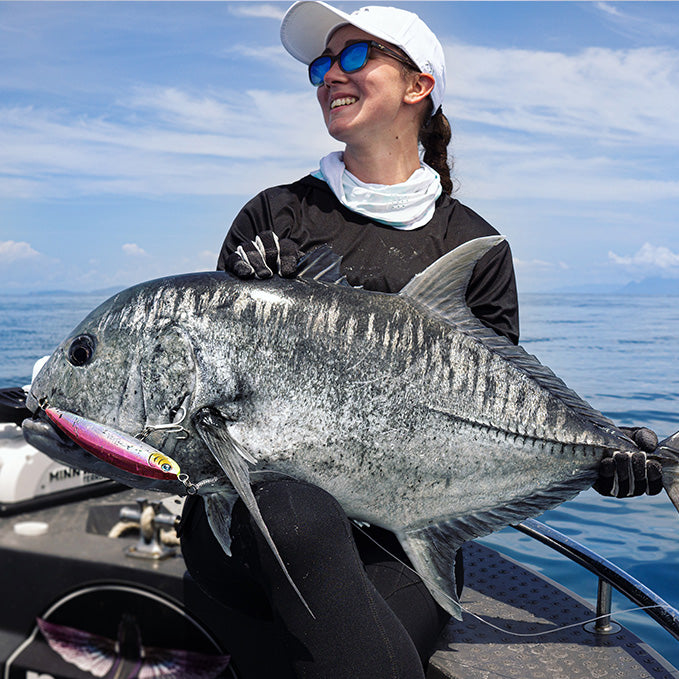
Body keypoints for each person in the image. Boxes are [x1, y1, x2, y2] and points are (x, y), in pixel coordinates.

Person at [179, 2, 662, 677]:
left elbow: (497, 408)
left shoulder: (472, 245)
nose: (328, 76)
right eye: (321, 64)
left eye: (352, 57)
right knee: (294, 507)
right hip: (250, 522)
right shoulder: (275, 218)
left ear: (417, 85)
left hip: (401, 534)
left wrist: (598, 455)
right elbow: (216, 402)